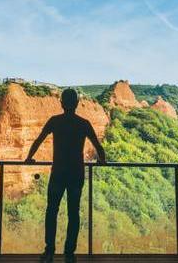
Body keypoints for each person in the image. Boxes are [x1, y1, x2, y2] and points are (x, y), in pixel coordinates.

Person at [25, 88, 106, 263]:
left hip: (58, 173)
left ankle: (49, 251)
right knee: (73, 213)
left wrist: (29, 158)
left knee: (51, 211)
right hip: (76, 174)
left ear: (61, 103)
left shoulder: (55, 121)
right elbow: (99, 148)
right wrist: (102, 161)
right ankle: (69, 253)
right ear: (77, 104)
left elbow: (38, 140)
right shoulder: (84, 123)